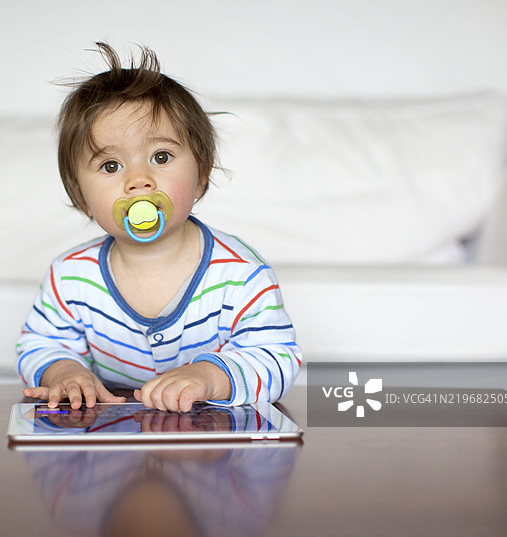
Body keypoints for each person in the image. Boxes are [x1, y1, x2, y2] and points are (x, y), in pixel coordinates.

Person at [17, 42, 301, 412]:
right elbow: (40, 344)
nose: (139, 180)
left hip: (210, 435)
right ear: (80, 195)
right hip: (112, 433)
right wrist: (65, 372)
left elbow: (277, 358)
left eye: (161, 157)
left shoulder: (240, 274)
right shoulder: (69, 277)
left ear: (201, 175)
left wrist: (209, 377)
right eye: (110, 166)